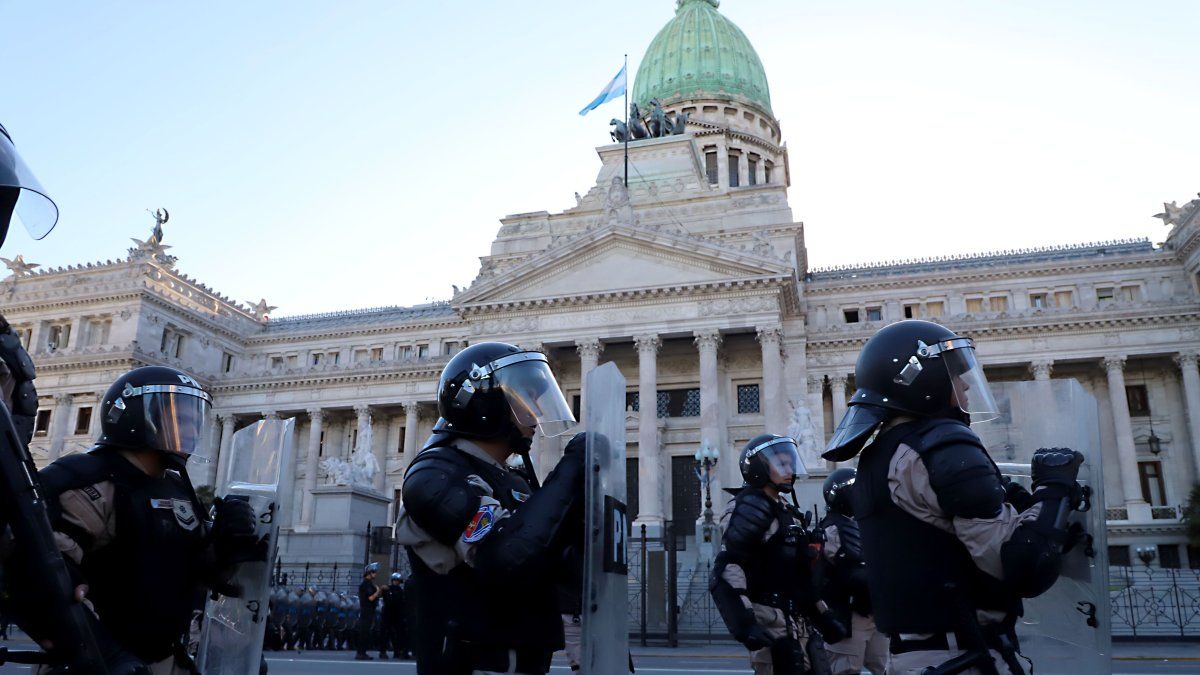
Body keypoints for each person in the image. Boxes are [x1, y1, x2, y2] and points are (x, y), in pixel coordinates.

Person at [822, 320, 1085, 674]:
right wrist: (1055, 489)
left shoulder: (874, 457)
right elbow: (1023, 567)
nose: (963, 382)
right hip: (962, 655)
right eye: (953, 372)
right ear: (919, 378)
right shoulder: (943, 444)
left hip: (912, 655)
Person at [34, 365, 261, 673]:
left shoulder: (176, 485)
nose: (192, 432)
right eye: (180, 419)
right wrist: (105, 654)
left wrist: (225, 542)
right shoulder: (87, 480)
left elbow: (184, 571)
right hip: (96, 662)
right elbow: (43, 578)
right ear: (133, 417)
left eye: (196, 422)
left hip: (161, 656)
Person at [394, 341, 586, 675]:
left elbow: (554, 561)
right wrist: (570, 471)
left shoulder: (516, 480)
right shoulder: (435, 476)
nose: (536, 410)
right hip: (468, 662)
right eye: (524, 396)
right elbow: (505, 555)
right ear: (486, 402)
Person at [710, 434, 846, 675]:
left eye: (790, 463)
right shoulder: (750, 506)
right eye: (781, 463)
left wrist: (822, 616)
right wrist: (745, 623)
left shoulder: (787, 511)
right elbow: (729, 566)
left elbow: (801, 576)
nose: (789, 470)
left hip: (799, 622)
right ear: (760, 467)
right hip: (770, 620)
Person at [816, 469, 886, 675]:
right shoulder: (832, 529)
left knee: (887, 667)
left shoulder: (857, 524)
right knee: (845, 669)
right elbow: (850, 572)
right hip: (849, 614)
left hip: (872, 610)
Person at [355, 562, 382, 660]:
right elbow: (370, 598)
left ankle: (363, 652)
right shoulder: (365, 584)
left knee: (366, 632)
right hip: (366, 611)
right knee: (364, 632)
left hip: (370, 611)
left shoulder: (370, 584)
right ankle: (360, 653)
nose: (375, 574)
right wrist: (377, 592)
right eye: (374, 572)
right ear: (369, 573)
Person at [380, 572, 410, 660]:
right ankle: (383, 651)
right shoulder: (387, 589)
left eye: (398, 581)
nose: (397, 582)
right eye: (396, 580)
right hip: (388, 614)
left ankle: (397, 651)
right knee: (386, 634)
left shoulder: (400, 591)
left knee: (398, 634)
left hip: (396, 615)